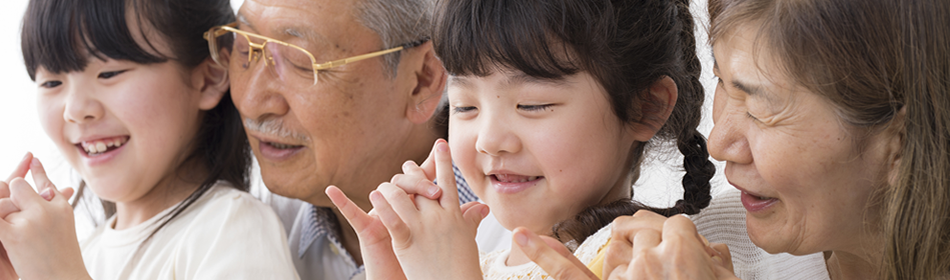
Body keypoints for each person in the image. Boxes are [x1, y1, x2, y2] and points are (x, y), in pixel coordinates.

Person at [545, 0, 950, 279]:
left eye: (760, 111)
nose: (719, 143)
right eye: (721, 81)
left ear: (901, 142)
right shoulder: (699, 246)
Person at [328, 0, 718, 279]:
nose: (489, 141)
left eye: (532, 104)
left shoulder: (639, 261)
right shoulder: (479, 263)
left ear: (645, 107)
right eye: (465, 106)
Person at [0, 0, 299, 279]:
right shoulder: (84, 252)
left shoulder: (233, 229)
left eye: (110, 73)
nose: (75, 111)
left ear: (209, 78)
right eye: (52, 82)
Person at [202, 0, 479, 278]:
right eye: (244, 47)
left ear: (423, 79)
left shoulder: (512, 245)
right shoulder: (249, 226)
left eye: (301, 62)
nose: (251, 102)